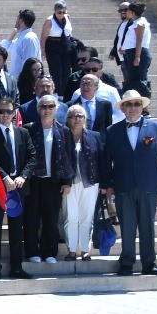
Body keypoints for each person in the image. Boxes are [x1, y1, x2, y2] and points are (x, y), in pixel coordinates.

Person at [105, 94, 157, 276]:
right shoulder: (113, 130)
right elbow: (107, 161)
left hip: (149, 184)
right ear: (123, 108)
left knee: (147, 225)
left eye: (136, 104)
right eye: (129, 104)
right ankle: (126, 262)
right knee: (127, 225)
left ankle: (149, 263)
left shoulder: (155, 127)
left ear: (142, 107)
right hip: (123, 184)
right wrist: (108, 184)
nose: (133, 107)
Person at [0, 97, 34, 278]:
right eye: (2, 111)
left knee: (16, 227)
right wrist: (4, 177)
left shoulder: (23, 133)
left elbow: (32, 157)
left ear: (14, 113)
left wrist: (23, 176)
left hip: (19, 187)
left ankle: (17, 267)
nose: (5, 115)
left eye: (9, 112)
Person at [61, 104, 105, 261]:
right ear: (68, 119)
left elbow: (102, 160)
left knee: (87, 217)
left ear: (85, 119)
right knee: (70, 217)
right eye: (72, 116)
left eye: (80, 116)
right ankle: (72, 249)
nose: (76, 119)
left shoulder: (95, 136)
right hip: (69, 183)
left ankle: (85, 249)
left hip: (91, 182)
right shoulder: (63, 136)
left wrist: (105, 184)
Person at [118, 3, 151, 97]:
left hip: (138, 53)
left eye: (127, 10)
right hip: (130, 52)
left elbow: (139, 40)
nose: (125, 12)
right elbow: (131, 40)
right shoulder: (134, 22)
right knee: (132, 79)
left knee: (140, 80)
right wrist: (124, 48)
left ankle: (143, 104)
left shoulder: (140, 23)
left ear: (132, 12)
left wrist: (137, 57)